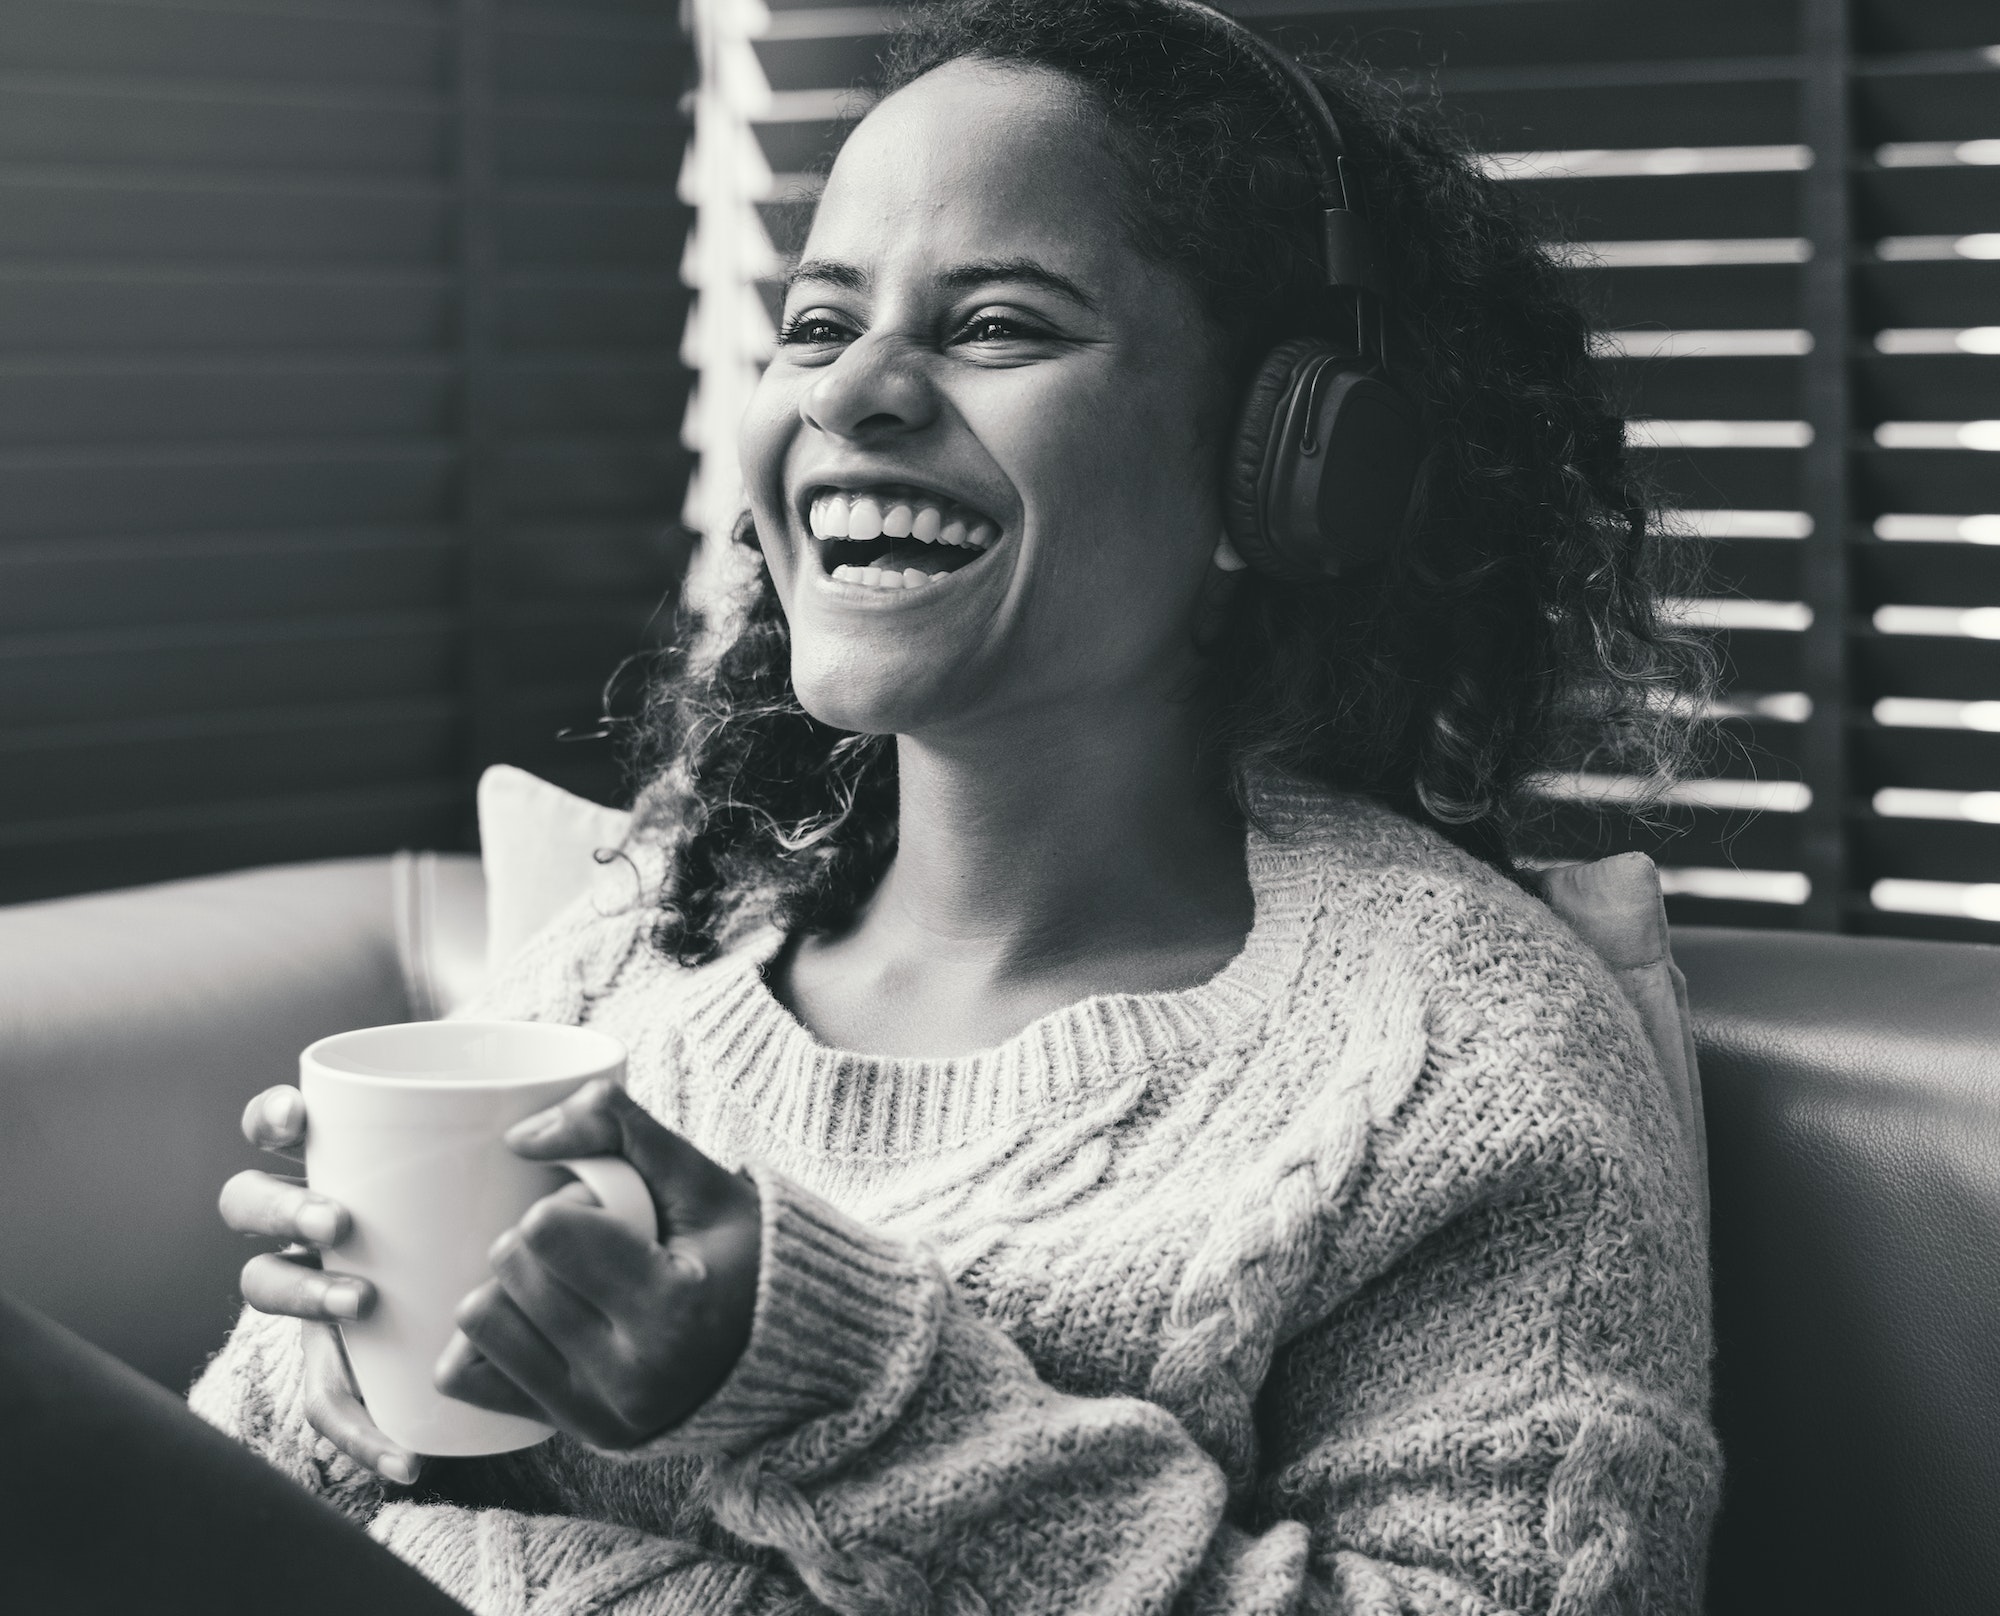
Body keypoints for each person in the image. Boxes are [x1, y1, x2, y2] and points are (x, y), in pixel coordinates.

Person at [201, 1, 1720, 1610]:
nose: (855, 394)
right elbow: (208, 1526)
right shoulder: (641, 946)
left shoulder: (1461, 1067)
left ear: (1282, 466)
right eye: (816, 322)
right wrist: (351, 1395)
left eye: (995, 324)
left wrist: (812, 1379)